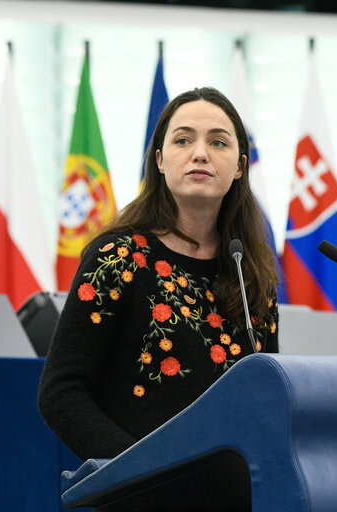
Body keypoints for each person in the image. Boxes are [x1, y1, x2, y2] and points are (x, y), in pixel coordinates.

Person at [38, 87, 280, 460]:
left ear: (239, 167)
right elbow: (61, 392)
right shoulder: (118, 259)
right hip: (141, 493)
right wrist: (138, 470)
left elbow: (267, 399)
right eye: (183, 140)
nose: (200, 153)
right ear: (160, 160)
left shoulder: (250, 275)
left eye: (218, 142)